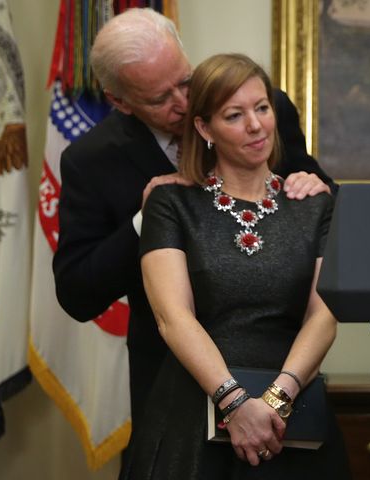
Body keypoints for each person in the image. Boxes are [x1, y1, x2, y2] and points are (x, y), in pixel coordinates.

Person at [52, 8, 338, 429]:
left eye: (184, 81)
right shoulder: (92, 160)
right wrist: (143, 221)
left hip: (281, 371)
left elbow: (328, 215)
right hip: (170, 384)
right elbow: (77, 293)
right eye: (159, 98)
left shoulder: (259, 112)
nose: (184, 103)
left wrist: (313, 187)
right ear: (119, 101)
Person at [119, 53, 350, 479]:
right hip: (193, 417)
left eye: (262, 108)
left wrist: (275, 402)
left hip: (293, 414)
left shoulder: (315, 204)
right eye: (234, 115)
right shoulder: (171, 204)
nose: (256, 125)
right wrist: (235, 404)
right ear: (205, 128)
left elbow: (324, 316)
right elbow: (173, 318)